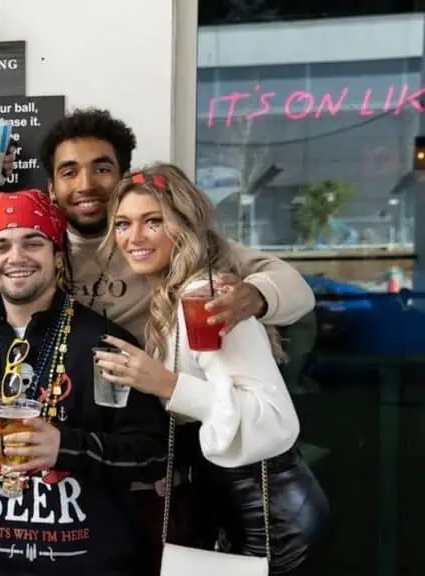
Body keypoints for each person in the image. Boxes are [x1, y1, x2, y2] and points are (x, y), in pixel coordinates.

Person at [38, 107, 317, 568]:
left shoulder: (204, 288)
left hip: (253, 497)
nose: (85, 183)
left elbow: (289, 288)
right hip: (161, 463)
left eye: (102, 168)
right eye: (69, 171)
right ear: (52, 187)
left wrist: (251, 298)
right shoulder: (41, 246)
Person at [97, 164, 327, 573]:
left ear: (184, 227)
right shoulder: (173, 297)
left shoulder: (207, 297)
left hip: (270, 518)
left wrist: (167, 384)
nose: (134, 237)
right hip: (237, 505)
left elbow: (271, 419)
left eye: (153, 222)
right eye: (123, 224)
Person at [0, 190, 168, 576]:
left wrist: (66, 446)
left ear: (58, 257)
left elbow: (154, 456)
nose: (16, 258)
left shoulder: (105, 344)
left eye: (33, 242)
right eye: (1, 246)